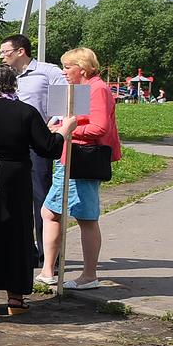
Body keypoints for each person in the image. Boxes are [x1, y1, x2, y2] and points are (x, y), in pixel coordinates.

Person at [0, 65, 73, 314]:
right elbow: (47, 148)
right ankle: (15, 298)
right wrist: (63, 133)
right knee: (16, 234)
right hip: (15, 179)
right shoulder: (25, 111)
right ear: (13, 85)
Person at [38, 47, 122, 289]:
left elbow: (99, 127)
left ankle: (89, 275)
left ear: (82, 69)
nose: (63, 72)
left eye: (67, 67)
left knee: (85, 217)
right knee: (50, 212)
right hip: (69, 158)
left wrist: (64, 131)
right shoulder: (84, 88)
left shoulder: (97, 89)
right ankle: (47, 271)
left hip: (82, 159)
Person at [0, 34, 67, 238]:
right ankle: (22, 249)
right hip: (11, 143)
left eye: (5, 52)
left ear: (21, 51)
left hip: (37, 141)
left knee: (40, 194)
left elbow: (65, 101)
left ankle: (45, 253)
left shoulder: (47, 72)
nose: (1, 56)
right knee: (13, 195)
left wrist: (52, 123)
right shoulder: (5, 76)